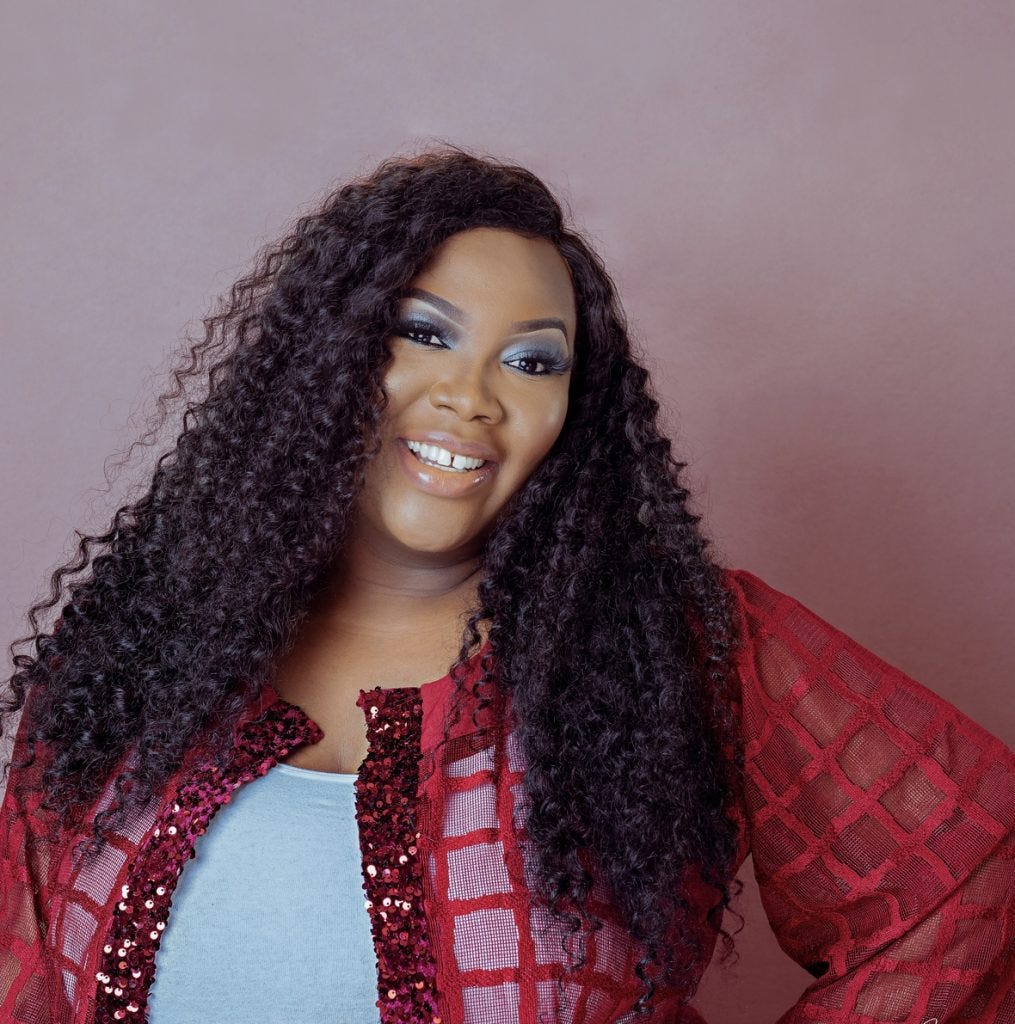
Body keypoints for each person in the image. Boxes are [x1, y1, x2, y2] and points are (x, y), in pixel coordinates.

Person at [0, 147, 1011, 1024]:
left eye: (531, 362)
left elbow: (966, 871)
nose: (471, 396)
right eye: (424, 332)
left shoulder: (677, 648)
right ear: (324, 355)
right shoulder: (142, 643)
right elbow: (26, 975)